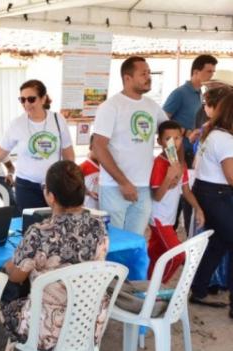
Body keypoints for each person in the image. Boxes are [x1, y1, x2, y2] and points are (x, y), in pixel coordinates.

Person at [0, 160, 109, 351]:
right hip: (88, 320)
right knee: (44, 291)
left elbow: (17, 276)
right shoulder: (99, 226)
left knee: (10, 290)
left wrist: (8, 265)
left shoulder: (39, 233)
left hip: (49, 326)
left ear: (50, 196)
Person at [0, 80, 74, 212]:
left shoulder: (58, 120)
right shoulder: (17, 124)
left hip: (54, 186)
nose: (26, 104)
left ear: (43, 98)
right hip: (26, 187)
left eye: (31, 99)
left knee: (55, 226)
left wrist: (71, 180)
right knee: (29, 227)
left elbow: (68, 153)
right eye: (22, 100)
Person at [93, 56, 168, 236]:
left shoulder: (152, 106)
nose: (148, 77)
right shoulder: (111, 106)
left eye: (149, 73)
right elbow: (99, 146)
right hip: (114, 187)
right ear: (127, 78)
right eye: (143, 73)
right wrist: (123, 182)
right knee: (114, 244)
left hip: (143, 187)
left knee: (135, 243)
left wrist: (175, 164)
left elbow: (169, 136)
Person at [190, 92, 233, 316]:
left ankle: (198, 289)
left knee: (218, 243)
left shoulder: (212, 133)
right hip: (217, 194)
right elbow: (231, 176)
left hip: (205, 191)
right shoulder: (225, 139)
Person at [148, 121, 205, 283]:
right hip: (159, 219)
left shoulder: (181, 165)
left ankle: (147, 285)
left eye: (177, 138)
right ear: (159, 141)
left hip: (169, 218)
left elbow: (186, 191)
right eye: (168, 139)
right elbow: (157, 196)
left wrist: (198, 209)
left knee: (155, 254)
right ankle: (157, 287)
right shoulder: (159, 164)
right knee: (178, 255)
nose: (173, 142)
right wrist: (168, 177)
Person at [163, 54, 217, 168]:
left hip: (195, 152)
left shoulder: (203, 94)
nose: (212, 75)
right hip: (178, 154)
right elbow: (163, 120)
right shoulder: (179, 93)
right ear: (196, 72)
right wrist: (186, 132)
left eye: (213, 72)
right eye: (209, 71)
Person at [79, 135, 100, 210]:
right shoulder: (82, 167)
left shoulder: (108, 168)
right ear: (91, 147)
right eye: (98, 148)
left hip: (102, 207)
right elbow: (75, 186)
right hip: (88, 207)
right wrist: (88, 192)